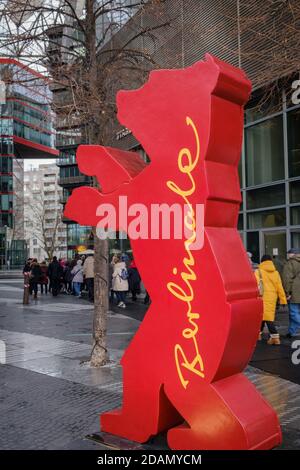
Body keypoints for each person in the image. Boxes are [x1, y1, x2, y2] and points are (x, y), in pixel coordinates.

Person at [255, 255, 287, 345]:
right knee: (264, 316)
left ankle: (275, 336)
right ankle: (258, 334)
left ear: (262, 262)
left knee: (267, 318)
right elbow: (279, 287)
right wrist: (283, 299)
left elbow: (255, 285)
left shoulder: (258, 272)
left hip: (261, 297)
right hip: (272, 298)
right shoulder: (276, 273)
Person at [282, 248, 300, 338]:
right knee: (296, 312)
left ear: (292, 254)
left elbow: (287, 279)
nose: (287, 255)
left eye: (288, 253)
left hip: (295, 291)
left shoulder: (290, 263)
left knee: (293, 312)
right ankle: (291, 332)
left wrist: (287, 292)